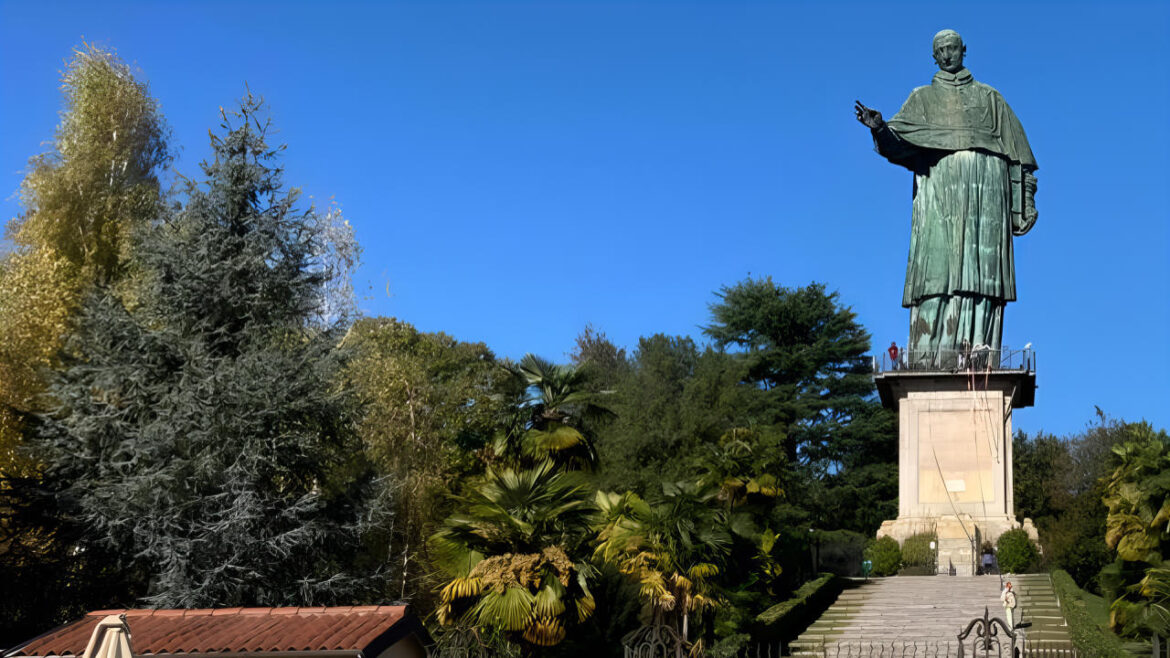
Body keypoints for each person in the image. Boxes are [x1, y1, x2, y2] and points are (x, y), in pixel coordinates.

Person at [855, 30, 1038, 358]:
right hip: (938, 194)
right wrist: (880, 129)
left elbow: (1020, 158)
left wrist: (1023, 202)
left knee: (983, 275)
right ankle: (930, 353)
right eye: (940, 51)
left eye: (952, 48)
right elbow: (898, 147)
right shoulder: (921, 99)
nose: (947, 55)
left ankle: (980, 348)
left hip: (987, 195)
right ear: (934, 57)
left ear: (964, 50)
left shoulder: (990, 98)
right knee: (936, 272)